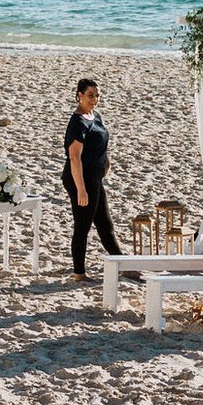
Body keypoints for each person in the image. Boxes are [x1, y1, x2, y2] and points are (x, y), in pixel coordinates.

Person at [62, 78, 119, 280]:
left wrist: (106, 163)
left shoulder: (95, 116)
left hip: (95, 177)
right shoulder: (77, 122)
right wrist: (81, 189)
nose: (94, 99)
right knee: (83, 225)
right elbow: (74, 157)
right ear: (79, 95)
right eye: (90, 95)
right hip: (80, 178)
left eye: (97, 95)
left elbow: (100, 142)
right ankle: (79, 273)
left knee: (105, 223)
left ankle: (120, 263)